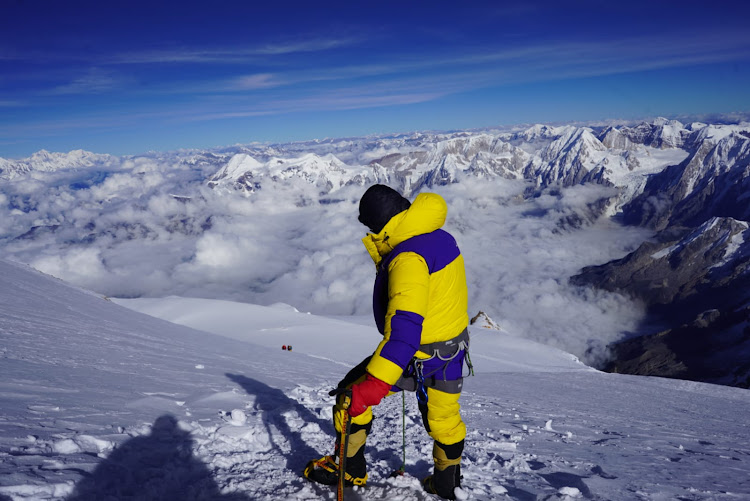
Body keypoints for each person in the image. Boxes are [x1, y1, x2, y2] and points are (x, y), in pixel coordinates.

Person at [304, 184, 470, 500]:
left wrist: (374, 386)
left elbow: (404, 334)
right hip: (451, 350)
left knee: (350, 397)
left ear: (377, 224)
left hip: (414, 354)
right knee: (445, 421)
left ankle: (350, 470)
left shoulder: (407, 258)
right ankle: (447, 486)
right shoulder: (439, 236)